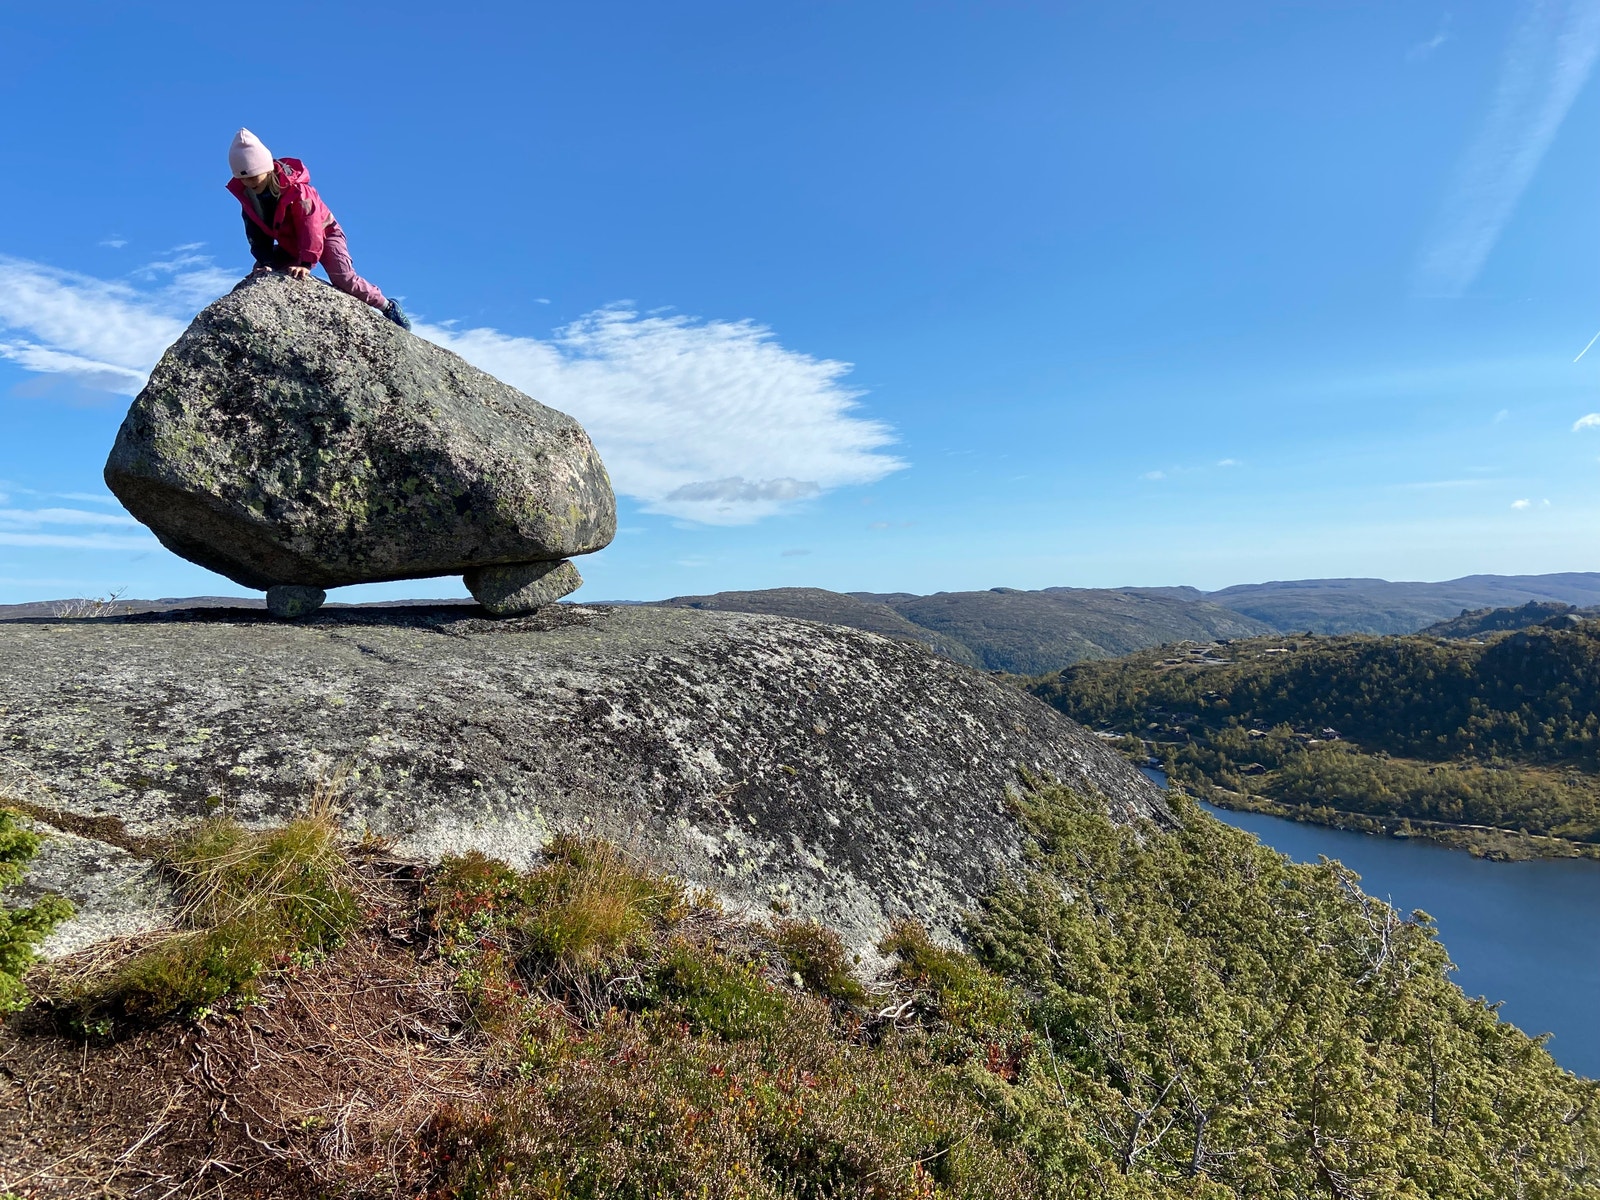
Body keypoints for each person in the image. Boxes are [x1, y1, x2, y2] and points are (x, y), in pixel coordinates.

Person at [225, 128, 411, 330]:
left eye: (254, 177)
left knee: (344, 279)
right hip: (291, 244)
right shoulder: (249, 197)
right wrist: (265, 261)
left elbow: (310, 226)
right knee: (261, 273)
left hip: (325, 234)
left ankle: (388, 306)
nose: (249, 183)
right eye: (244, 179)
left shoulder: (297, 190)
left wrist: (306, 263)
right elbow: (256, 233)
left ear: (267, 169)